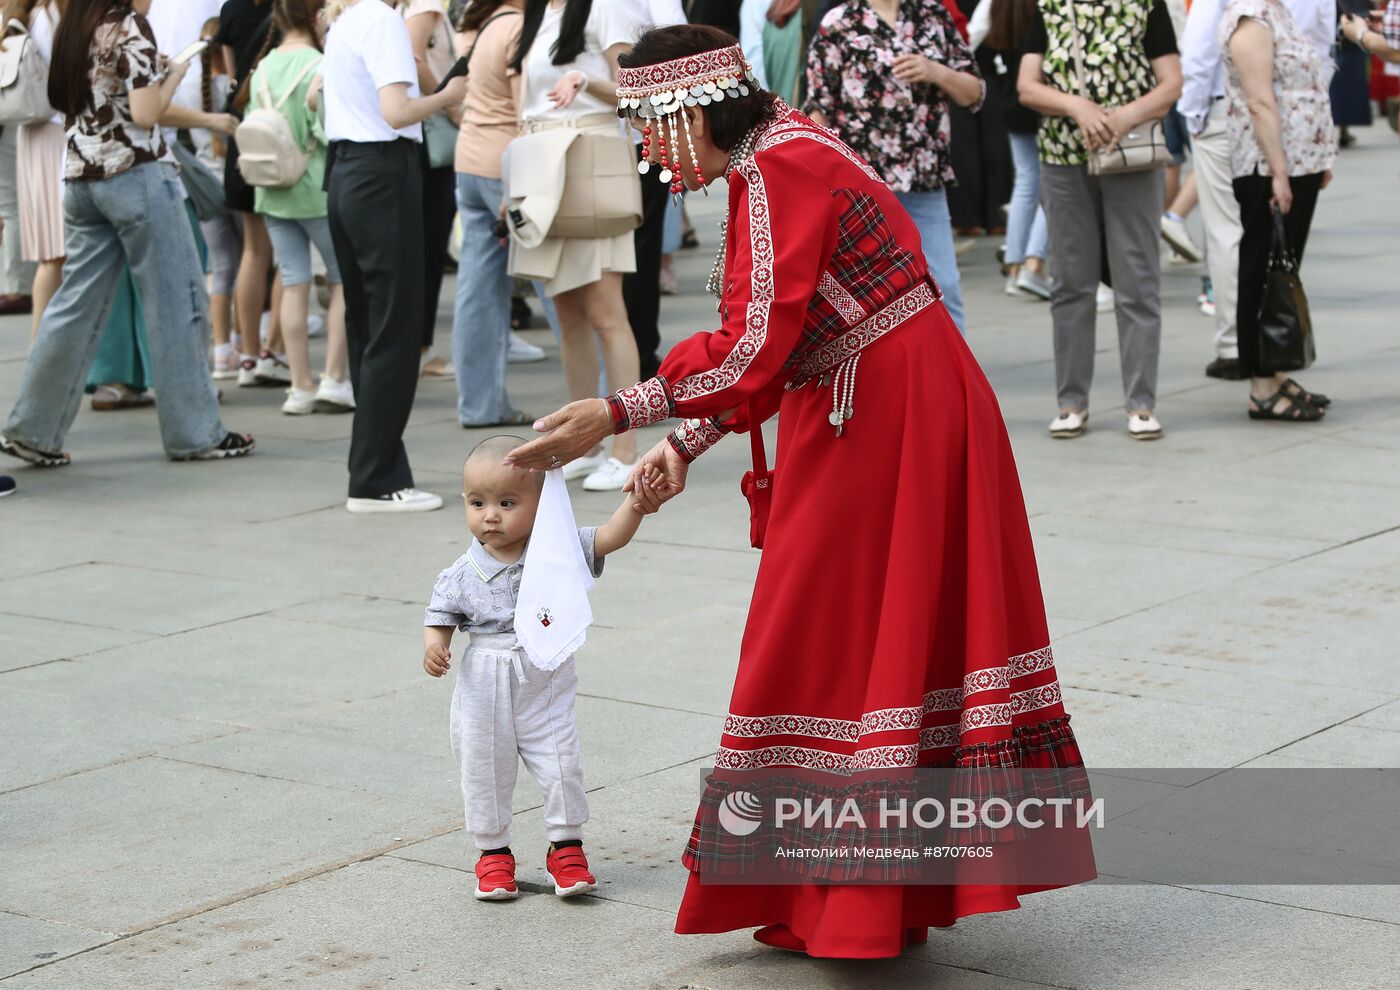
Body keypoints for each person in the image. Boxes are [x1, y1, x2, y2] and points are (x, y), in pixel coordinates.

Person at [506, 25, 1095, 957]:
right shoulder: (774, 154)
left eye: (656, 133)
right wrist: (690, 439)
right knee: (859, 645)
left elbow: (755, 348)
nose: (657, 157)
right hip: (873, 399)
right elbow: (780, 342)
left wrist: (623, 410)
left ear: (691, 112)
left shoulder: (778, 167)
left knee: (836, 638)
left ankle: (858, 900)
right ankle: (856, 897)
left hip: (890, 412)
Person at [1, 0, 253, 465]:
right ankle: (196, 433)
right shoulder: (130, 27)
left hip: (80, 177)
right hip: (136, 176)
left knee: (75, 306)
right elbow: (145, 114)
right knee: (179, 300)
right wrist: (174, 74)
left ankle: (32, 428)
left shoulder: (76, 27)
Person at [422, 435, 661, 900]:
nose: (490, 514)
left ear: (541, 504)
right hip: (484, 681)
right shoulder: (460, 573)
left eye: (507, 502)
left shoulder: (556, 549)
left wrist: (636, 504)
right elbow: (440, 617)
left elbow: (609, 536)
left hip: (544, 673)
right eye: (477, 502)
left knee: (560, 760)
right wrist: (435, 646)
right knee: (484, 766)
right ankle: (493, 854)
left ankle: (566, 847)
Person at [321, 0, 466, 512]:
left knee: (370, 326)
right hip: (380, 171)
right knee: (393, 329)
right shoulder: (380, 20)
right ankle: (376, 477)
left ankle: (374, 469)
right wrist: (448, 94)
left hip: (346, 171)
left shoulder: (344, 20)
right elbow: (396, 110)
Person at [1017, 0, 1182, 442]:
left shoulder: (1145, 5)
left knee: (1137, 279)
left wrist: (1124, 116)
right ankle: (1071, 402)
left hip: (1131, 156)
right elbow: (1027, 87)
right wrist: (1077, 107)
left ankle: (1142, 403)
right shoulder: (1051, 7)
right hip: (1063, 157)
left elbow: (1171, 84)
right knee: (1071, 282)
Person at [508, 0, 644, 491]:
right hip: (541, 163)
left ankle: (625, 446)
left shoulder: (603, 7)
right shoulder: (537, 13)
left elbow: (636, 87)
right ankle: (582, 440)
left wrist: (585, 84)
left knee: (606, 312)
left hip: (588, 160)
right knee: (565, 314)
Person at [805, 0, 984, 332]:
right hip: (860, 190)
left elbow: (973, 92)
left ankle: (953, 379)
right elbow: (818, 108)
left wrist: (936, 71)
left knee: (944, 286)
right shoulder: (839, 22)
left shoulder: (933, 14)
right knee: (869, 298)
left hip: (924, 180)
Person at [1223, 0, 1335, 421]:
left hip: (1297, 163)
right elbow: (1259, 101)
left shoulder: (1275, 11)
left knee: (1282, 271)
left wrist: (1319, 154)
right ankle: (1261, 383)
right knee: (1262, 273)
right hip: (1267, 167)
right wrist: (1280, 172)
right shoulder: (1249, 19)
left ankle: (1277, 370)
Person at [249, 0, 352, 415]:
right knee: (342, 279)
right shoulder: (319, 64)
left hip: (272, 188)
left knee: (293, 282)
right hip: (314, 187)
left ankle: (299, 385)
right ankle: (333, 378)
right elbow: (326, 129)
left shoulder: (265, 66)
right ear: (315, 18)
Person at [450, 0, 533, 427]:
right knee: (562, 289)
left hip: (469, 162)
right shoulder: (516, 26)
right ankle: (599, 397)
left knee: (476, 290)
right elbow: (525, 113)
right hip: (503, 168)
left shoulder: (483, 25)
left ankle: (480, 406)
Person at [218, 0, 289, 387]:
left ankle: (246, 353)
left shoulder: (230, 8)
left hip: (245, 134)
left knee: (253, 249)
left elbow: (233, 74)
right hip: (281, 137)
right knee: (286, 254)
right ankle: (272, 351)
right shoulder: (291, 8)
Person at [622, 0, 684, 384]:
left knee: (631, 249)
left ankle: (635, 354)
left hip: (626, 137)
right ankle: (638, 355)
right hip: (641, 137)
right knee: (639, 247)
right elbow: (680, 48)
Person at [400, 0, 457, 381]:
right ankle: (419, 348)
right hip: (432, 135)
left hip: (419, 136)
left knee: (425, 245)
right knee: (428, 246)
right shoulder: (426, 4)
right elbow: (415, 58)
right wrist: (449, 103)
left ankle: (418, 347)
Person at [985, 0, 1050, 300]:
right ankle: (1034, 263)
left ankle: (1014, 266)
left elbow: (973, 36)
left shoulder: (997, 5)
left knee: (1025, 184)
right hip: (1043, 103)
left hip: (1011, 103)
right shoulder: (1046, 7)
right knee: (1053, 183)